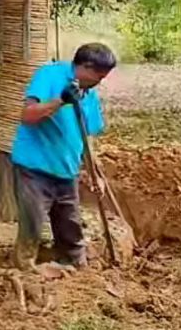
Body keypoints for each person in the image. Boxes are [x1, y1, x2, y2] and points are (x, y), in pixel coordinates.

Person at [11, 42, 117, 269]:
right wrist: (62, 100)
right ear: (86, 67)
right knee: (32, 225)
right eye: (99, 75)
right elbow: (27, 115)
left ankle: (77, 271)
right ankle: (24, 271)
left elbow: (87, 138)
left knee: (71, 228)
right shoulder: (49, 75)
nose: (101, 81)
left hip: (66, 170)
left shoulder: (90, 95)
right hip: (35, 168)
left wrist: (96, 174)